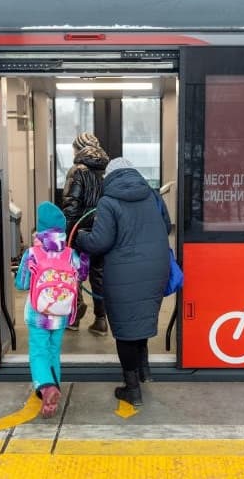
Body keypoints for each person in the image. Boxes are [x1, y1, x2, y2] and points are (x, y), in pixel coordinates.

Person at [74, 158, 171, 406]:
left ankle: (132, 389)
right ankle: (144, 371)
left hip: (125, 271)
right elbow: (165, 226)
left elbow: (100, 242)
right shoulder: (152, 195)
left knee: (126, 329)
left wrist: (80, 238)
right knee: (141, 318)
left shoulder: (108, 202)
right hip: (156, 266)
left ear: (109, 177)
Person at [15, 201, 89, 418]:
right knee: (53, 351)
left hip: (38, 314)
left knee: (39, 351)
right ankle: (53, 387)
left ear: (40, 228)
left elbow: (21, 284)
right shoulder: (70, 254)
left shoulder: (32, 253)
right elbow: (81, 276)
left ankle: (46, 388)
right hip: (61, 314)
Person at [61, 132, 110, 335]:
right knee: (98, 274)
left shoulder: (77, 171)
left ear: (79, 149)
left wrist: (67, 236)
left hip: (79, 230)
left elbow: (71, 205)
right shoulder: (106, 170)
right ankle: (101, 320)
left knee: (74, 271)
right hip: (100, 230)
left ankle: (74, 316)